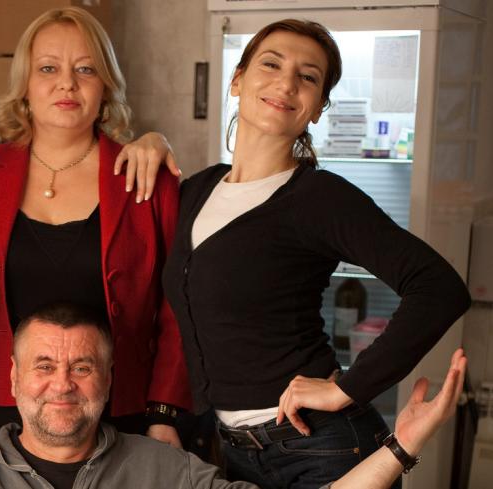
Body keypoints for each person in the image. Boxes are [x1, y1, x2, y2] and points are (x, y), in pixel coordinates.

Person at [161, 19, 473, 488]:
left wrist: (347, 388)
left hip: (324, 447)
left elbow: (439, 288)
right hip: (233, 451)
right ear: (237, 80)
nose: (287, 83)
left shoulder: (320, 198)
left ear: (318, 109)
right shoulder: (195, 191)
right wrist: (151, 143)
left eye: (307, 76)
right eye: (271, 64)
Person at [0, 302, 469, 489]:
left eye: (82, 367)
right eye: (43, 365)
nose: (62, 383)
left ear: (108, 381)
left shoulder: (168, 472)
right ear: (12, 379)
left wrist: (402, 445)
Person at [0, 6, 190, 447]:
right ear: (24, 85)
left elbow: (177, 309)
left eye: (85, 69)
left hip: (120, 411)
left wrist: (164, 412)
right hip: (1, 411)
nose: (67, 83)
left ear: (106, 86)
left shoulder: (146, 178)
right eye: (48, 68)